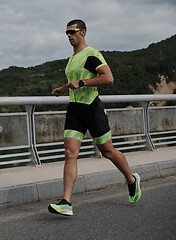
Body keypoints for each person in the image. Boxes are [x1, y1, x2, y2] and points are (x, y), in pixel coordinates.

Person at [48, 19, 141, 216]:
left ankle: (132, 180)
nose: (69, 35)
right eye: (66, 33)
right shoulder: (72, 58)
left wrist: (82, 82)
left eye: (72, 32)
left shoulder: (92, 54)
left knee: (107, 151)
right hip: (74, 109)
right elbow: (74, 82)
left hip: (92, 108)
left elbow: (108, 78)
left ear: (83, 32)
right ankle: (66, 202)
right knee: (70, 153)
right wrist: (62, 88)